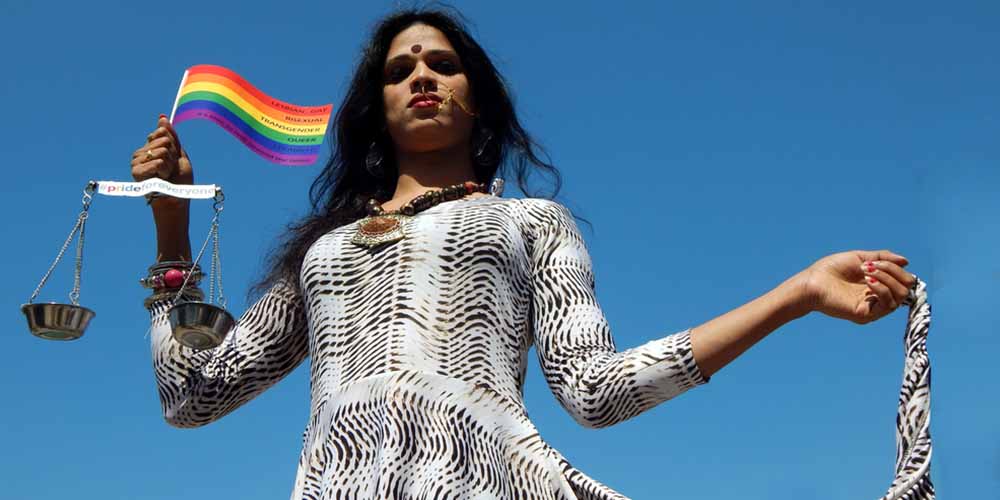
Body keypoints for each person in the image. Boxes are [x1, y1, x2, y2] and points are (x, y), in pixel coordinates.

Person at [130, 8, 917, 500]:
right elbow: (192, 397)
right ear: (378, 108)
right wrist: (172, 231)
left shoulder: (532, 222)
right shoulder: (326, 250)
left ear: (479, 96)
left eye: (443, 63)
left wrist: (798, 293)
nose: (423, 78)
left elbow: (596, 392)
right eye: (400, 71)